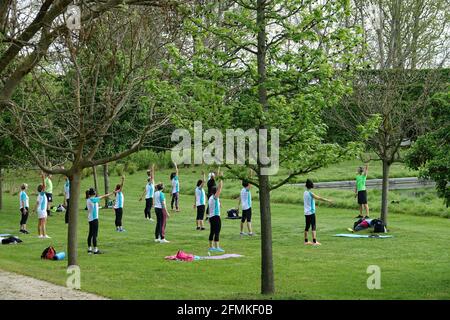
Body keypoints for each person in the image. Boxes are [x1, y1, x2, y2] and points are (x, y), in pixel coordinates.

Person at [303, 179, 332, 246]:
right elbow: (319, 198)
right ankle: (314, 241)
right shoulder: (311, 193)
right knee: (313, 226)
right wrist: (328, 200)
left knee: (307, 226)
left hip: (306, 213)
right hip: (311, 212)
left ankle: (306, 241)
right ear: (311, 186)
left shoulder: (305, 192)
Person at [86, 188, 114, 254]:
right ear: (94, 194)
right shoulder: (93, 199)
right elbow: (103, 197)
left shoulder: (88, 200)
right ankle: (95, 249)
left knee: (90, 234)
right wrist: (111, 193)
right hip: (94, 219)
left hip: (90, 218)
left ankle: (89, 248)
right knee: (95, 234)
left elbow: (101, 197)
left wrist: (110, 193)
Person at [208, 177, 224, 252]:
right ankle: (217, 247)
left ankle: (211, 247)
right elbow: (220, 188)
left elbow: (219, 189)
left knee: (212, 231)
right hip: (216, 217)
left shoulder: (210, 198)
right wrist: (221, 178)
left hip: (211, 217)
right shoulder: (214, 198)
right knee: (217, 231)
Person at [33, 173, 50, 238]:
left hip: (39, 210)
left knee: (39, 223)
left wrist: (34, 210)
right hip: (42, 210)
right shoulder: (42, 194)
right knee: (43, 223)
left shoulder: (39, 195)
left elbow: (37, 203)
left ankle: (39, 235)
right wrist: (43, 178)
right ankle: (44, 235)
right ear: (42, 189)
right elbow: (44, 185)